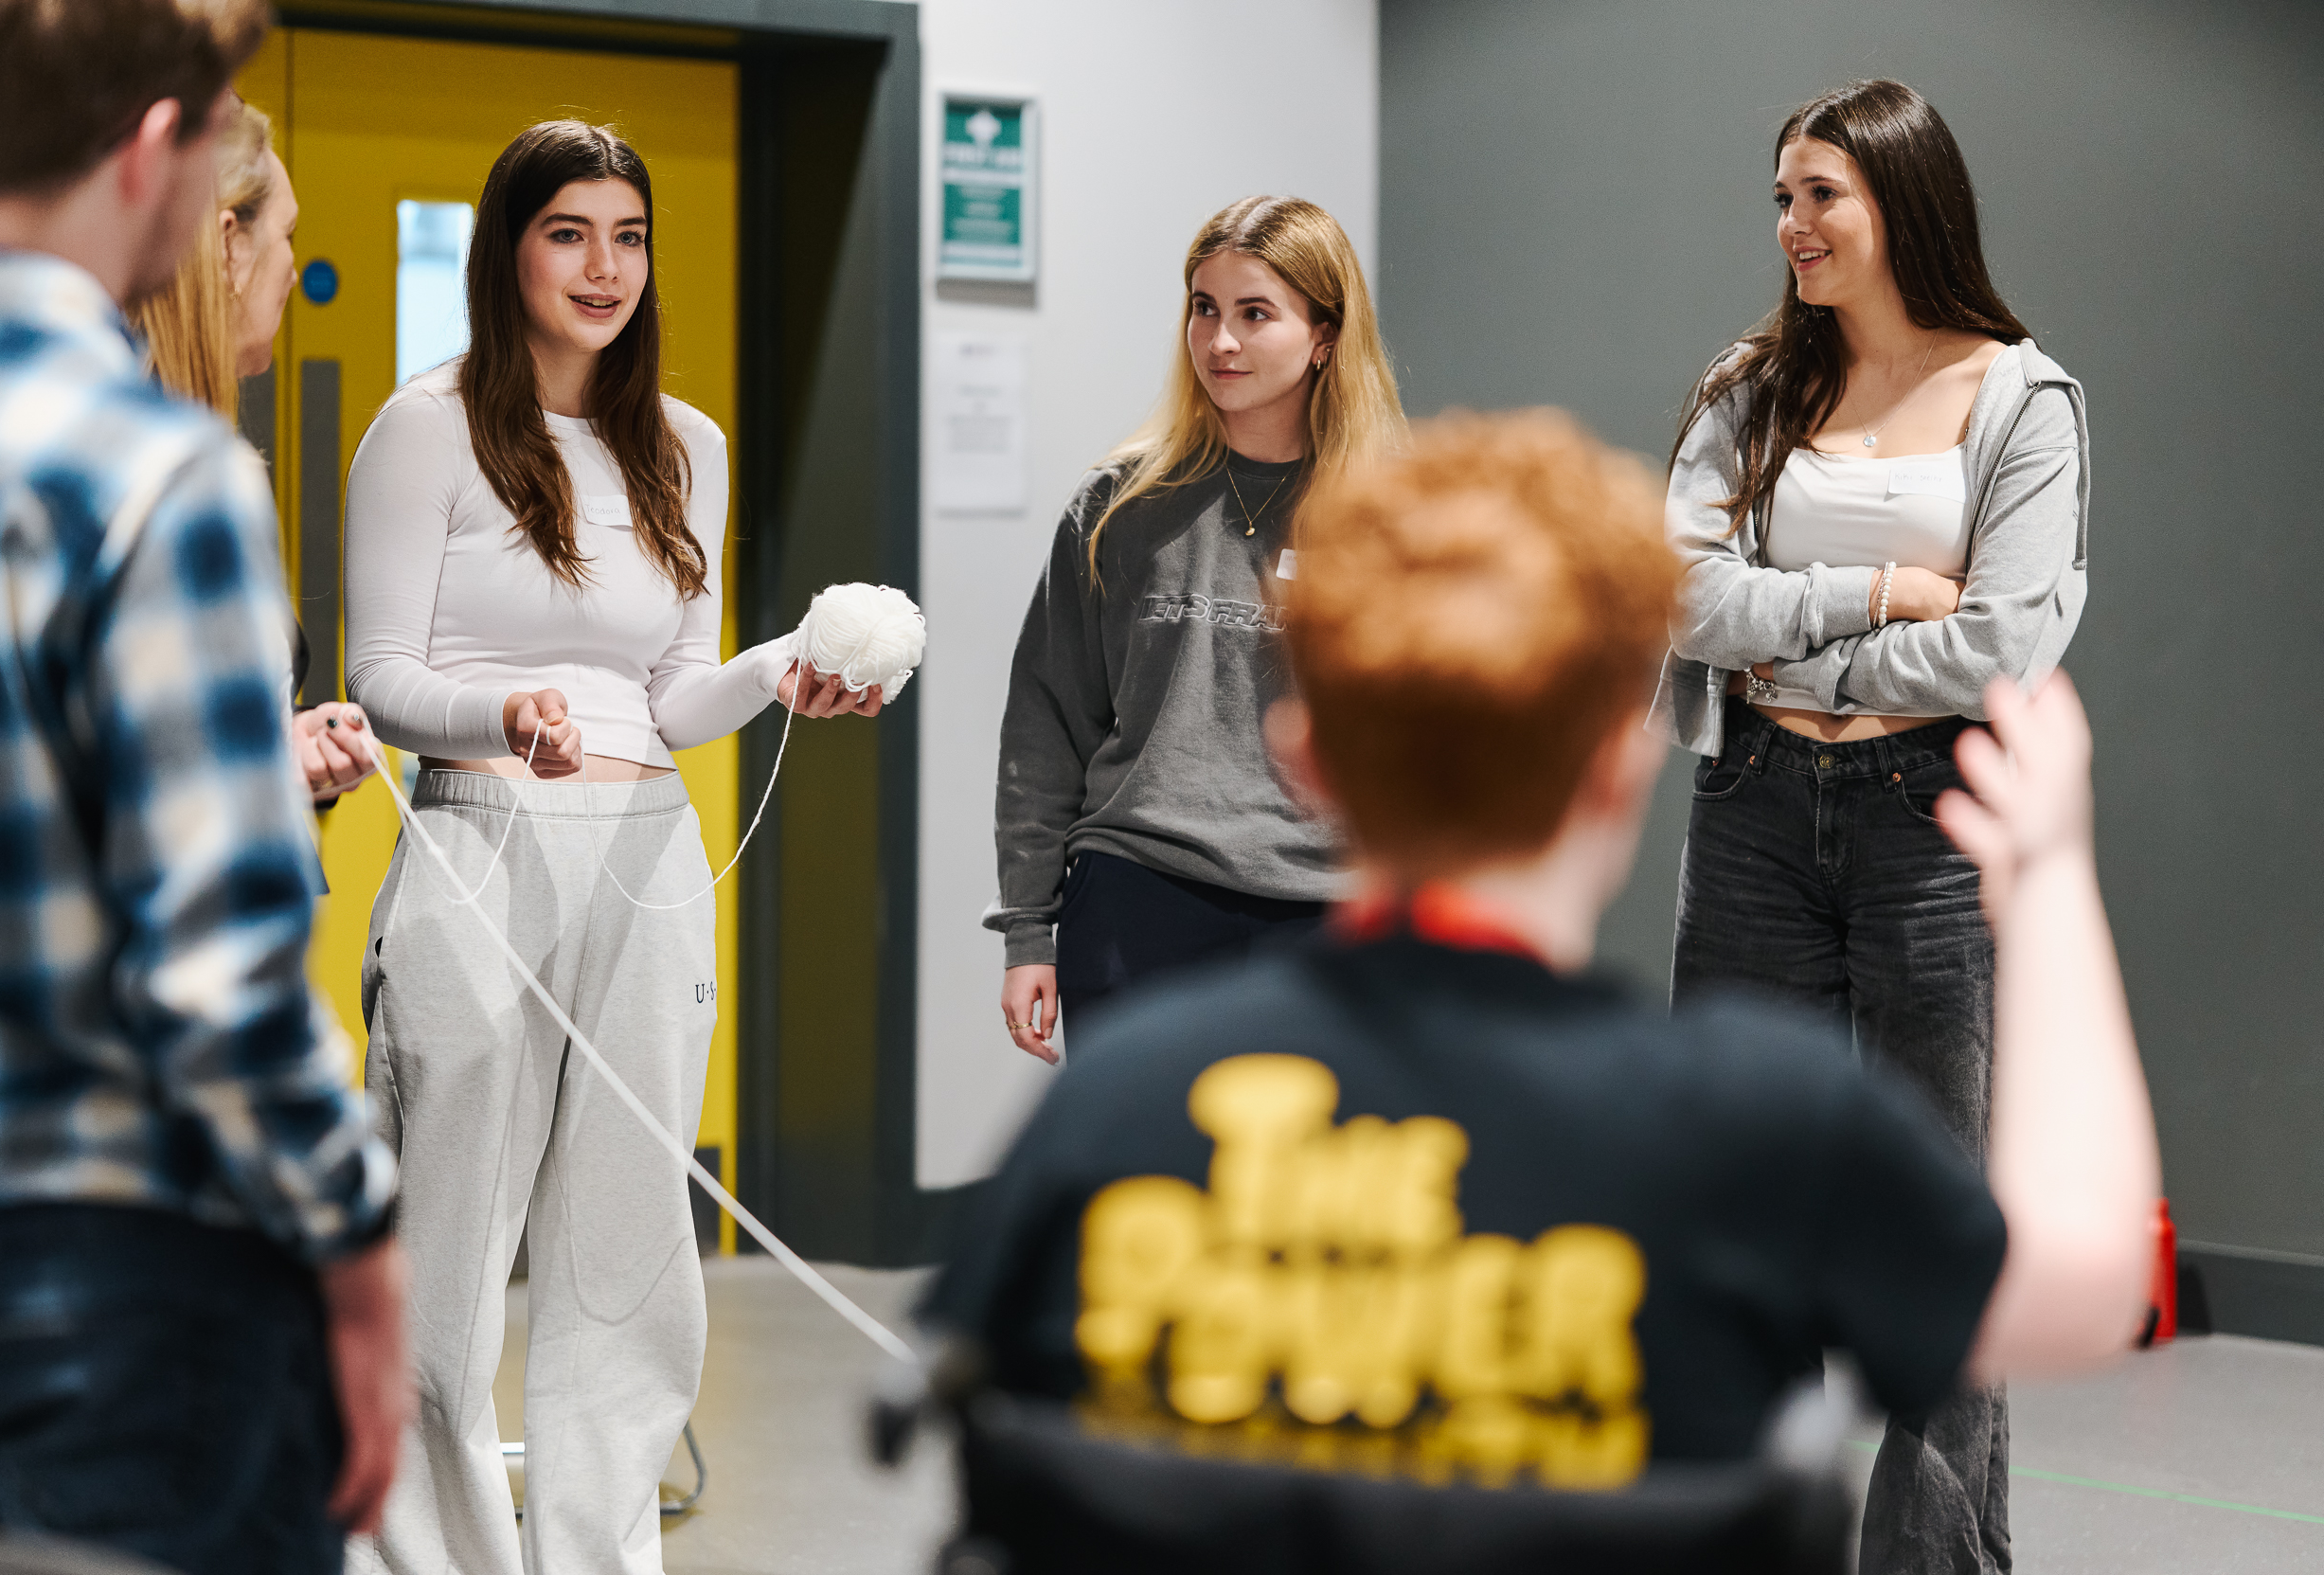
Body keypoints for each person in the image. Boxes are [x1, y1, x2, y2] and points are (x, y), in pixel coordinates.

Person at [922, 409, 2154, 1513]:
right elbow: (2087, 1286)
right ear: (1622, 767)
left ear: (1309, 758)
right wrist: (2047, 877)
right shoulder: (1758, 1120)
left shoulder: (1116, 1106)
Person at [341, 120, 877, 1575]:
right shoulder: (426, 424)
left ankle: (599, 1552)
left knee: (630, 1250)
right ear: (508, 246)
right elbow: (380, 670)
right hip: (478, 840)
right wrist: (498, 712)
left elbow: (673, 696)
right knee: (445, 1243)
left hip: (647, 846)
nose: (604, 265)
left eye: (628, 236)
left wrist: (779, 666)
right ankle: (430, 1555)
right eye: (568, 231)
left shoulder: (684, 445)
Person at [0, 2, 408, 1572]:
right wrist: (357, 1251)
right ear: (153, 153)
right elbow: (218, 977)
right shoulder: (152, 471)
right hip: (111, 1272)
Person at [1648, 79, 2090, 1574]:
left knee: (1933, 1228)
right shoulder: (1749, 386)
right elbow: (1683, 598)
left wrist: (1804, 655)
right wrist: (1873, 595)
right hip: (1755, 807)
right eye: (1780, 197)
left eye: (1820, 193)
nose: (1793, 225)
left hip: (1930, 824)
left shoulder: (2024, 396)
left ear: (1904, 198)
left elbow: (2005, 645)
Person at [991, 195, 1406, 1063]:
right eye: (1204, 309)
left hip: (1329, 905)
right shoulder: (1118, 505)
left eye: (1256, 314)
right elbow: (1046, 724)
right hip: (1139, 897)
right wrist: (1029, 930)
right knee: (1144, 1193)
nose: (1221, 342)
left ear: (1325, 335)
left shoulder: (1391, 516)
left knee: (1309, 1197)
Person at [133, 92, 374, 806]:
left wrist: (282, 745)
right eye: (288, 234)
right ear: (230, 244)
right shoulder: (162, 470)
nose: (295, 268)